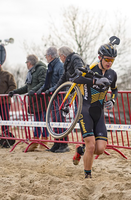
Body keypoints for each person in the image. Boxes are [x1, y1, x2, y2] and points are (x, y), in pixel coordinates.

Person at [72, 40, 119, 178]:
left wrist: (113, 100)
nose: (109, 62)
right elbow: (76, 79)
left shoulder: (112, 74)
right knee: (91, 146)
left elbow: (115, 89)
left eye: (112, 60)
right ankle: (88, 176)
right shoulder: (92, 68)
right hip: (85, 111)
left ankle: (80, 150)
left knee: (99, 149)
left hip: (99, 113)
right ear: (100, 57)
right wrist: (94, 81)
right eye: (107, 59)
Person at [8, 54, 47, 151]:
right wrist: (15, 91)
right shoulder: (31, 72)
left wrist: (33, 90)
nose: (26, 64)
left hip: (41, 100)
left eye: (26, 62)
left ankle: (44, 141)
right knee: (36, 122)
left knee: (43, 122)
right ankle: (35, 141)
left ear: (29, 63)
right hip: (34, 101)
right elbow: (27, 87)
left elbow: (43, 83)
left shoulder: (41, 69)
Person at [36, 46, 70, 153]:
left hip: (61, 97)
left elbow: (62, 83)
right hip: (54, 97)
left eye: (46, 55)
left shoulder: (60, 66)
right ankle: (57, 143)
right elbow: (48, 83)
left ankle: (64, 144)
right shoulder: (51, 67)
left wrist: (50, 90)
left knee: (60, 120)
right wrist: (40, 91)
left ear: (50, 56)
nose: (45, 57)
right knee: (55, 121)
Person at [0, 63, 17, 135]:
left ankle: (6, 136)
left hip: (5, 102)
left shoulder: (7, 75)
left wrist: (4, 96)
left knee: (5, 120)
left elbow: (13, 86)